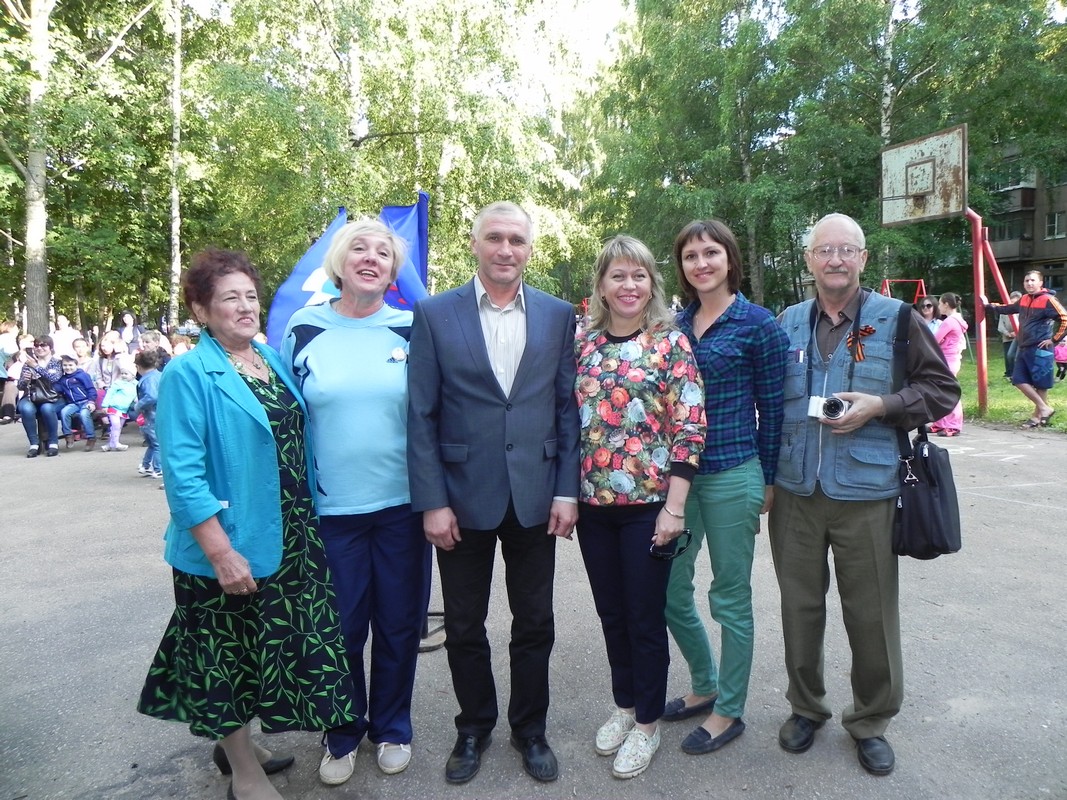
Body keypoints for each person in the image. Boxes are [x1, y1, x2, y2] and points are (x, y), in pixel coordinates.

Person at [138, 248, 356, 800]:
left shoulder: (269, 359)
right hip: (228, 542)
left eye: (250, 296)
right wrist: (219, 553)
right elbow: (183, 476)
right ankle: (244, 772)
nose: (244, 306)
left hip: (291, 533)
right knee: (225, 656)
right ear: (202, 309)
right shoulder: (189, 372)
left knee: (266, 648)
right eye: (229, 298)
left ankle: (238, 744)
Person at [769, 213, 959, 776]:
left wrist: (884, 406)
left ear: (863, 258)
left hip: (868, 492)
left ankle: (871, 720)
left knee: (871, 615)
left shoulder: (897, 318)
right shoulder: (786, 322)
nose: (834, 259)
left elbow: (940, 388)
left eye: (845, 250)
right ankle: (806, 708)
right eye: (824, 250)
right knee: (799, 610)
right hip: (796, 491)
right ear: (809, 260)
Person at [407, 201, 580, 785]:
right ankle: (473, 726)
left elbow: (565, 410)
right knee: (463, 625)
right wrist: (432, 500)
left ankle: (530, 729)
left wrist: (566, 490)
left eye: (517, 240)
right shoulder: (434, 314)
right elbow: (421, 414)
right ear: (475, 244)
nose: (507, 250)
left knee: (535, 622)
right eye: (495, 239)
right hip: (460, 497)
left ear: (530, 249)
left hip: (536, 496)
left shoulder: (559, 316)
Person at [281, 218, 431, 784]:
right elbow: (286, 416)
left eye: (384, 253)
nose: (371, 258)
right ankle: (342, 733)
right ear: (340, 262)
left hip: (402, 506)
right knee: (342, 629)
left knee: (398, 625)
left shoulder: (413, 327)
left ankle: (392, 727)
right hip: (333, 512)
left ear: (394, 272)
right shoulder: (303, 327)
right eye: (360, 249)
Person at [573, 235, 706, 779]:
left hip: (650, 508)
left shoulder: (669, 343)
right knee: (611, 616)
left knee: (644, 619)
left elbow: (690, 427)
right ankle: (625, 706)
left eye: (639, 276)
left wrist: (675, 509)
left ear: (652, 284)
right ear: (601, 286)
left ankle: (648, 723)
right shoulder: (583, 344)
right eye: (617, 276)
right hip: (594, 506)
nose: (629, 286)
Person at [661, 220, 789, 755]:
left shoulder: (758, 324)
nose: (701, 263)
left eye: (711, 253)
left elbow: (775, 409)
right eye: (691, 256)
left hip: (735, 474)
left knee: (730, 598)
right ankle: (704, 682)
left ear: (729, 259)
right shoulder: (673, 324)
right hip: (678, 484)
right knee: (669, 591)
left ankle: (729, 708)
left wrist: (769, 479)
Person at [984, 271, 1067, 427]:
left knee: (1041, 384)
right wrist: (988, 306)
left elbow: (1064, 319)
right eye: (1027, 280)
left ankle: (1037, 417)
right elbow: (1008, 308)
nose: (1029, 283)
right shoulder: (1023, 299)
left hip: (1041, 348)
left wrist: (1054, 339)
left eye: (1033, 280)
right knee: (1018, 379)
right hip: (1024, 346)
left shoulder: (1048, 299)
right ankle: (1044, 408)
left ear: (1040, 283)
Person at [17, 335, 64, 457]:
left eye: (43, 345)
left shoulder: (57, 362)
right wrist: (25, 380)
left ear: (50, 347)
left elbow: (53, 378)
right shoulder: (28, 364)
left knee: (47, 408)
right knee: (25, 408)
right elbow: (20, 386)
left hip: (52, 397)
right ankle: (34, 444)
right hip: (32, 396)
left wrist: (36, 367)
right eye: (36, 345)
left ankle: (53, 443)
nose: (39, 348)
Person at [930, 292, 969, 437]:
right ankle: (941, 422)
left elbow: (935, 339)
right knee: (940, 390)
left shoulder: (949, 322)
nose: (938, 306)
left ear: (946, 304)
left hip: (948, 359)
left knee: (949, 391)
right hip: (948, 359)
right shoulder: (956, 320)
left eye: (940, 303)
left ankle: (953, 425)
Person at [56, 354, 98, 450]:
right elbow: (57, 388)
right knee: (64, 412)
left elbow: (91, 389)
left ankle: (91, 437)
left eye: (70, 365)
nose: (68, 368)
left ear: (76, 365)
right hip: (73, 403)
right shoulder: (62, 379)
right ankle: (68, 435)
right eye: (65, 365)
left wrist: (91, 402)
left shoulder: (82, 375)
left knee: (84, 414)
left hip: (85, 401)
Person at [133, 348, 162, 477]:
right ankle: (157, 468)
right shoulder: (158, 375)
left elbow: (151, 396)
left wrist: (138, 405)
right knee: (156, 444)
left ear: (138, 367)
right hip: (155, 415)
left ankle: (148, 466)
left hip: (151, 415)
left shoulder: (146, 379)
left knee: (154, 443)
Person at [99, 366, 137, 451]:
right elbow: (110, 393)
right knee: (116, 425)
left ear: (133, 375)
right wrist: (105, 405)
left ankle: (110, 444)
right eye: (122, 373)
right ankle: (116, 444)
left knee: (118, 427)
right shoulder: (118, 383)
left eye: (126, 373)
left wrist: (137, 401)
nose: (123, 375)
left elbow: (136, 395)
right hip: (114, 407)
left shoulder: (136, 384)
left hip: (124, 409)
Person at [997, 291, 1022, 378]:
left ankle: (1017, 373)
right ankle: (1009, 373)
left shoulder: (1022, 312)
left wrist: (1017, 332)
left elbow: (1023, 324)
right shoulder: (1004, 312)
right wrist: (1007, 333)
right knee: (1008, 355)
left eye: (1016, 302)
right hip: (1007, 337)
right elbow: (1000, 326)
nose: (1013, 304)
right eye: (1012, 302)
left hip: (1020, 336)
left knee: (1016, 355)